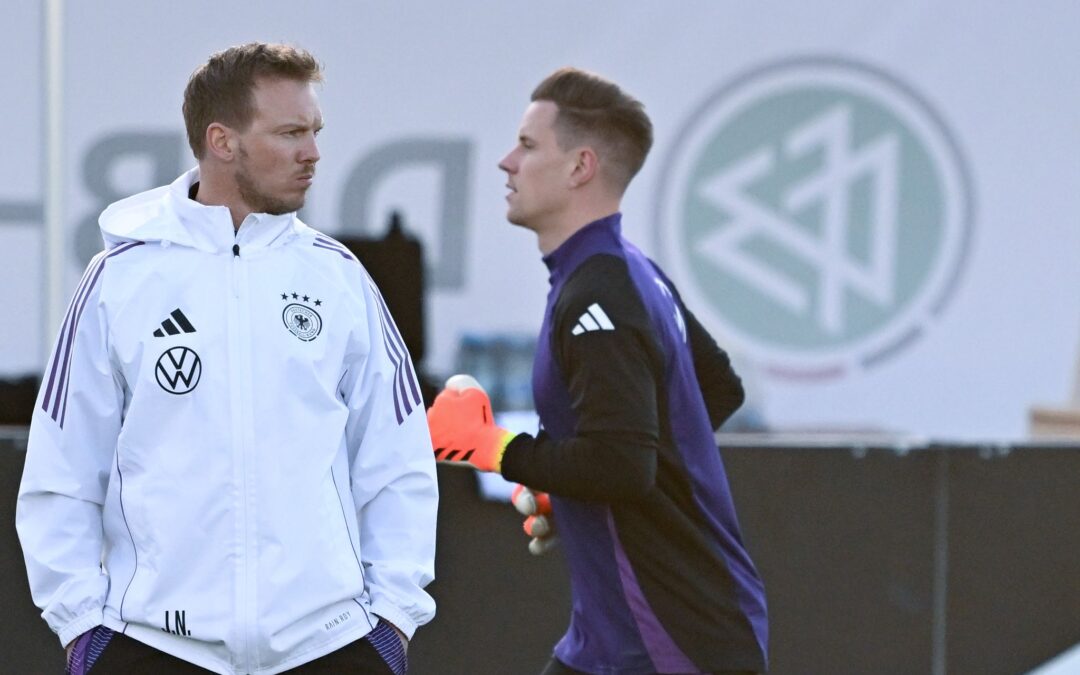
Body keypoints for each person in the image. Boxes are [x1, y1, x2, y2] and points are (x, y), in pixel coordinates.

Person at [16, 42, 437, 675]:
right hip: (152, 646)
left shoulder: (339, 278)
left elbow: (399, 461)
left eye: (315, 131)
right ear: (222, 141)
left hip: (328, 647)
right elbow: (62, 468)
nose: (313, 152)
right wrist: (81, 628)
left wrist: (393, 620)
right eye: (290, 133)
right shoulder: (119, 279)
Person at [428, 67, 768, 674]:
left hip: (670, 643)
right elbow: (713, 392)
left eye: (528, 145)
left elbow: (621, 463)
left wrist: (493, 447)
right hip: (625, 638)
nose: (507, 162)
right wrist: (572, 488)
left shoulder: (601, 290)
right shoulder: (626, 271)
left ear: (580, 167)